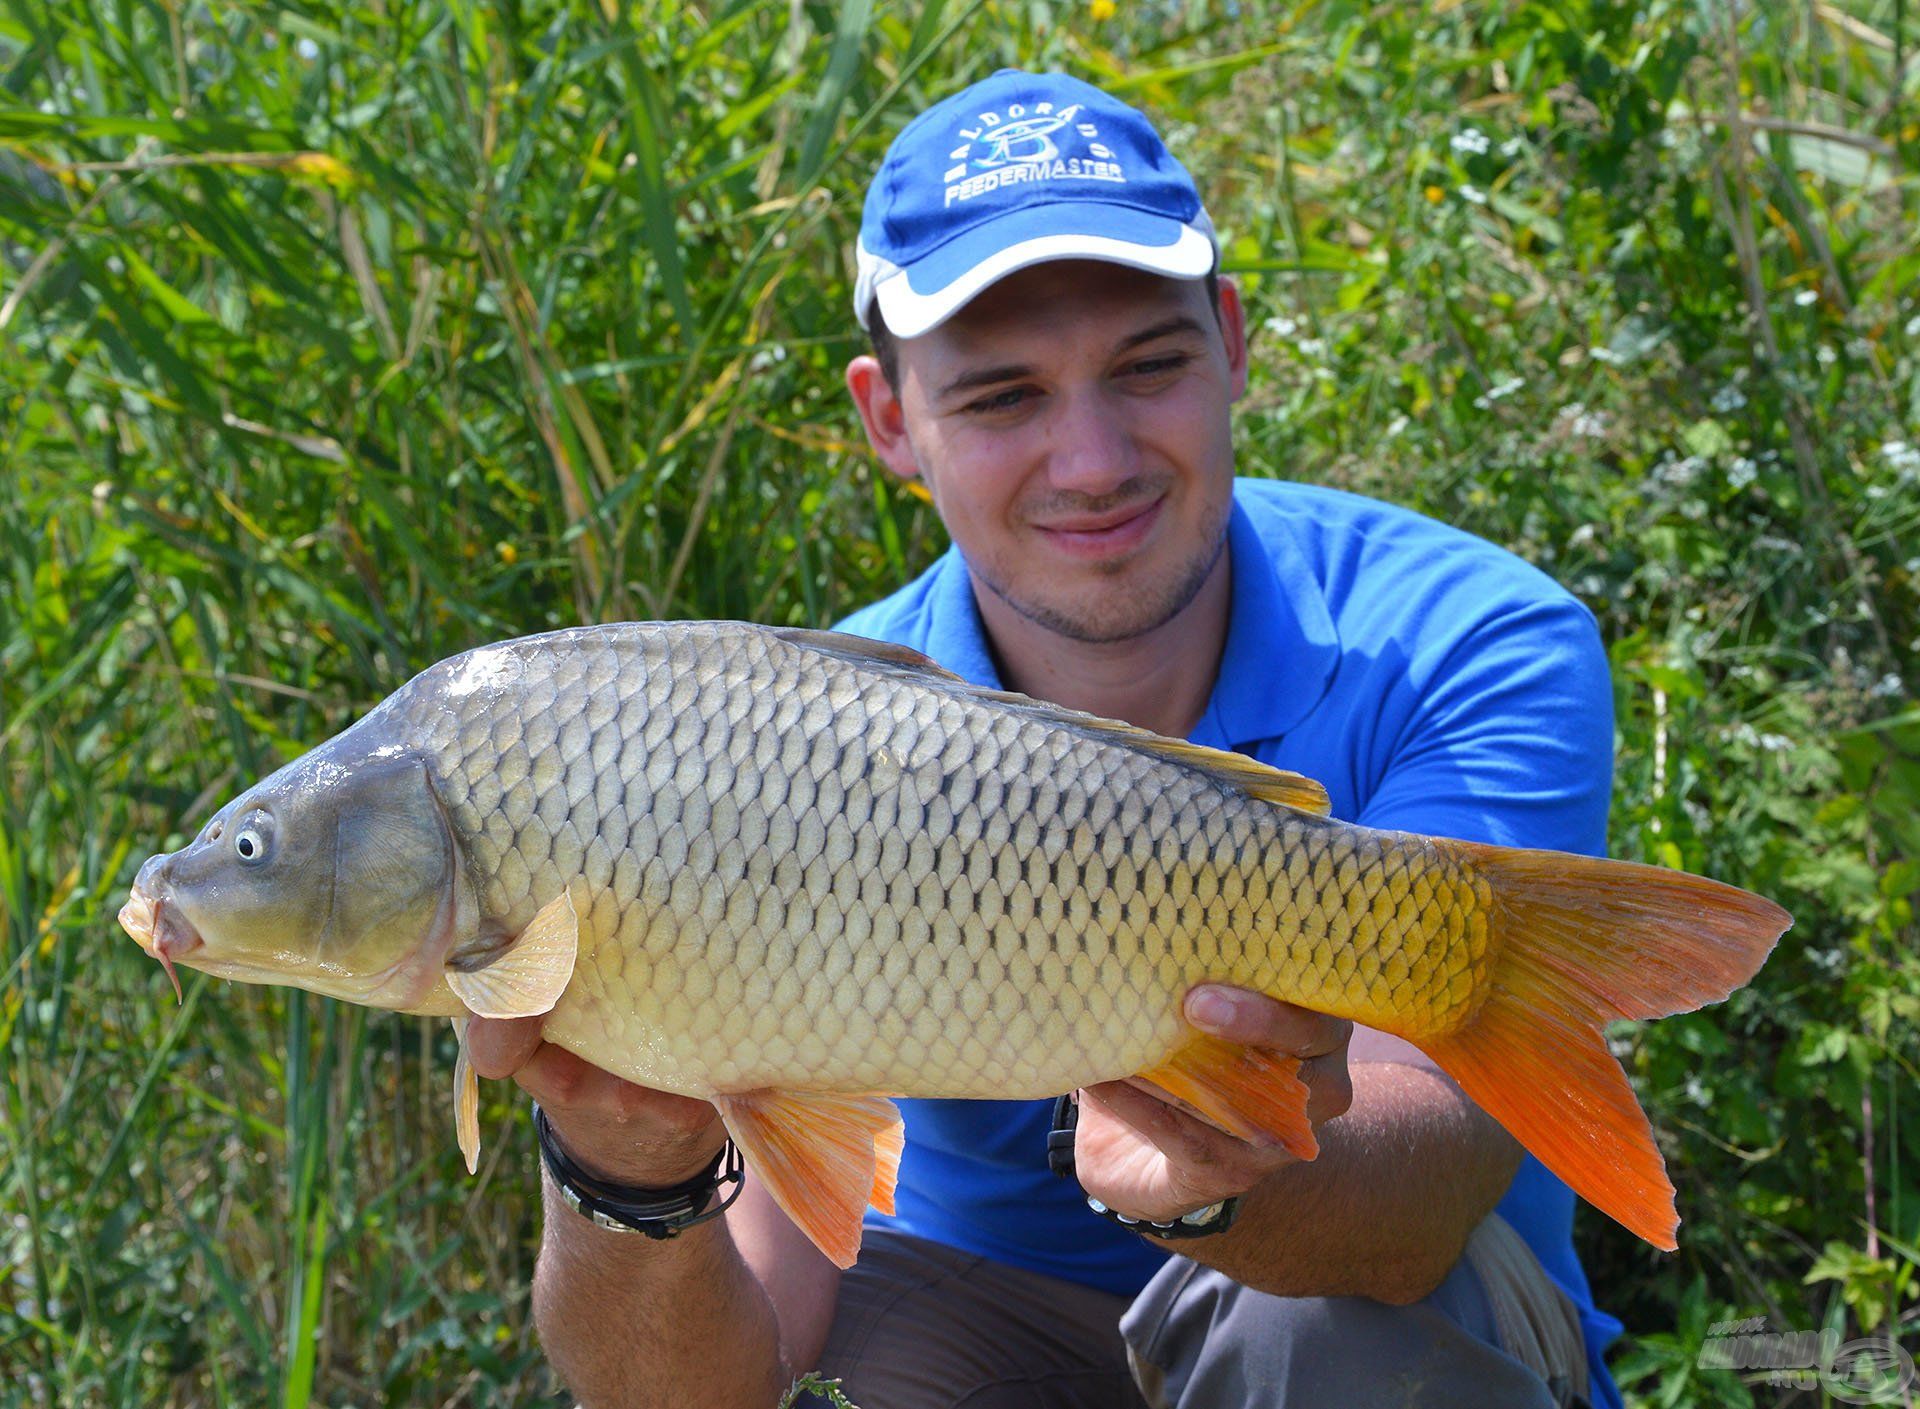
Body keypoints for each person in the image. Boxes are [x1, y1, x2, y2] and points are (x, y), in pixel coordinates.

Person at [468, 69, 1625, 1408]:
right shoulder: (780, 744)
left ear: (1232, 342)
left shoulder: (1462, 639)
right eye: (1004, 397)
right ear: (889, 420)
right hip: (971, 1314)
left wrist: (1224, 1180)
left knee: (1310, 1339)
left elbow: (1427, 1187)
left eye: (1148, 366)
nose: (1091, 460)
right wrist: (623, 1161)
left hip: (1382, 1311)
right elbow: (697, 1383)